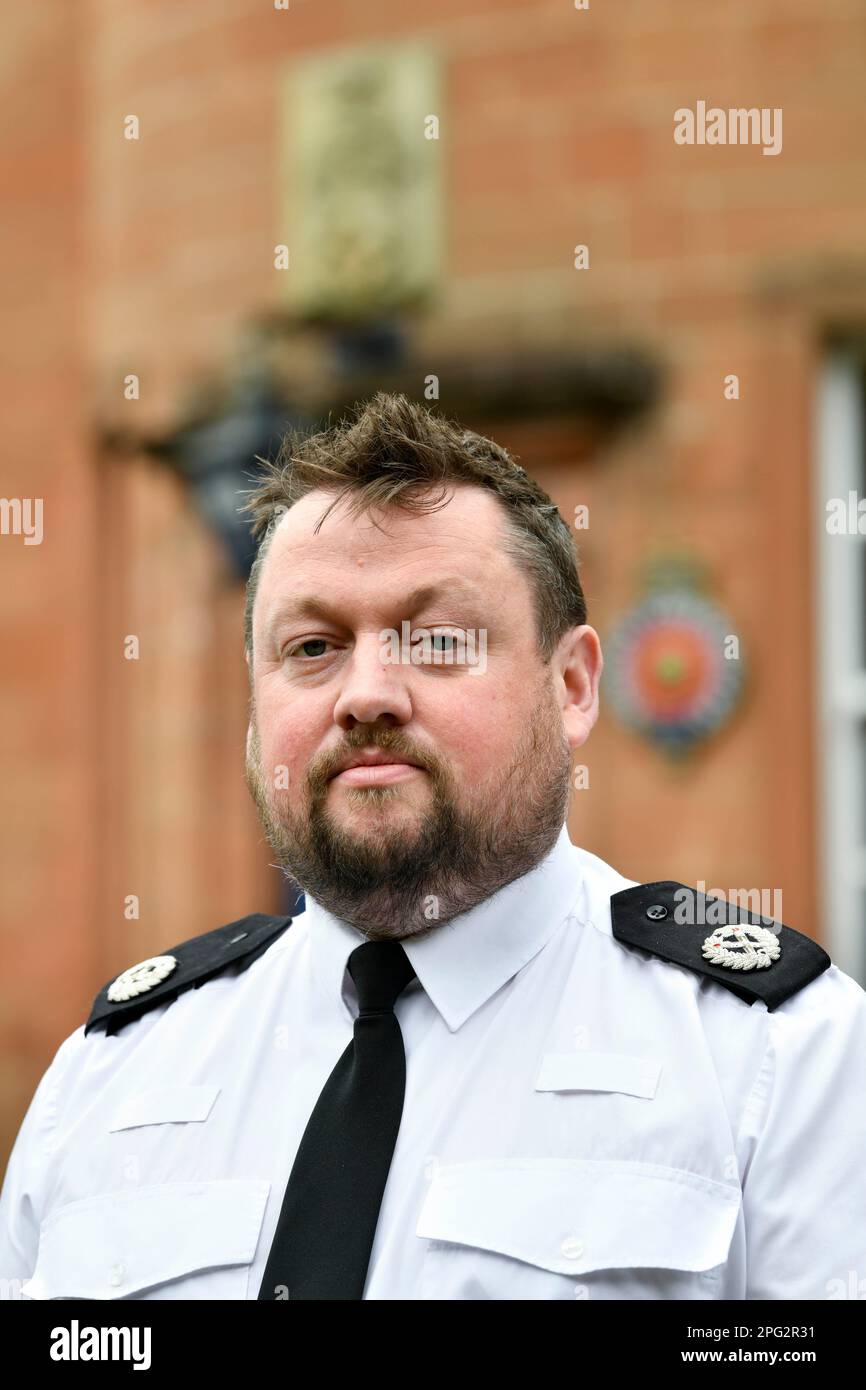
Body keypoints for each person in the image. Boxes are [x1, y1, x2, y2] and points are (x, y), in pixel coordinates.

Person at [1, 391, 864, 1301]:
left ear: (571, 686)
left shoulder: (774, 1061)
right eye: (312, 647)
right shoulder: (107, 1081)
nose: (366, 693)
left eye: (440, 639)